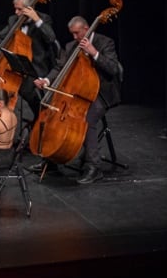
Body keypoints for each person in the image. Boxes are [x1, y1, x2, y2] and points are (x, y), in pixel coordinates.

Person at [33, 16, 122, 185]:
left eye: (77, 33)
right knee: (53, 108)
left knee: (88, 118)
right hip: (76, 93)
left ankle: (93, 167)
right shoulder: (70, 47)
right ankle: (52, 159)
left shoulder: (105, 43)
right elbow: (59, 68)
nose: (74, 37)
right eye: (72, 34)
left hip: (102, 93)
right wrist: (47, 81)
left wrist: (93, 52)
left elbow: (112, 69)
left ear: (87, 28)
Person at [0, 0, 58, 118]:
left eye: (19, 9)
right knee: (0, 92)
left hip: (35, 68)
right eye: (15, 8)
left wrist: (37, 20)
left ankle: (38, 118)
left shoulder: (43, 19)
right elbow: (1, 35)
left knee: (32, 98)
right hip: (17, 66)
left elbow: (51, 38)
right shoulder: (13, 20)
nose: (16, 12)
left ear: (30, 9)